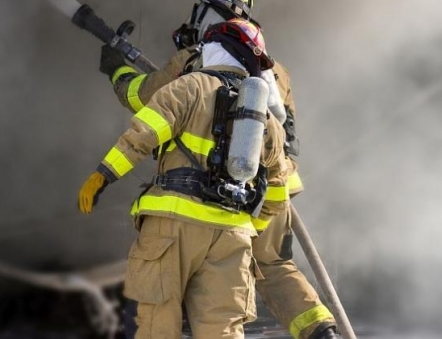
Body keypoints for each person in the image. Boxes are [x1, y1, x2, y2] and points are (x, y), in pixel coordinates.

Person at [99, 0, 338, 339]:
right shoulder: (273, 69)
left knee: (193, 264)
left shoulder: (196, 60)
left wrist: (117, 68)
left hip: (214, 190)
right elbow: (287, 131)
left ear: (210, 13)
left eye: (201, 9)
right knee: (274, 263)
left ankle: (187, 318)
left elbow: (144, 100)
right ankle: (320, 330)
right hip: (275, 182)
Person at [79, 19, 291, 339]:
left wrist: (103, 175)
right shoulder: (266, 121)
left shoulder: (190, 86)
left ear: (214, 48)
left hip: (174, 224)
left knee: (157, 321)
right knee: (223, 328)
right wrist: (251, 230)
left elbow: (144, 133)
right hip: (232, 235)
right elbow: (277, 190)